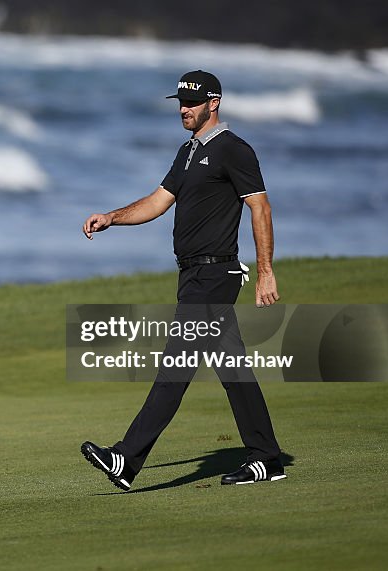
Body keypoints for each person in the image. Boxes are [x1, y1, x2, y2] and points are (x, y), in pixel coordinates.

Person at [79, 70, 284, 490]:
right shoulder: (188, 152)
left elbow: (259, 208)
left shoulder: (234, 150)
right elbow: (158, 201)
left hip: (216, 274)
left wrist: (265, 272)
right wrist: (112, 218)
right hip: (193, 274)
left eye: (191, 101)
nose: (184, 109)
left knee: (175, 367)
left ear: (215, 102)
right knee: (234, 371)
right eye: (180, 102)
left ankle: (126, 458)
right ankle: (266, 458)